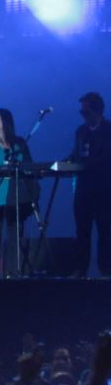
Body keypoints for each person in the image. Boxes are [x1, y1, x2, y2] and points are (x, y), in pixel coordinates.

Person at [0, 109, 32, 279]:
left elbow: (28, 168)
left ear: (6, 122)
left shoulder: (19, 143)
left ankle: (12, 273)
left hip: (14, 198)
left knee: (14, 238)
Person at [71, 92, 111, 279]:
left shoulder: (108, 131)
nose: (83, 116)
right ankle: (81, 268)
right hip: (83, 189)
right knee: (82, 230)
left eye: (85, 112)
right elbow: (75, 155)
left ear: (97, 111)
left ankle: (106, 270)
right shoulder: (81, 132)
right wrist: (56, 166)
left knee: (105, 230)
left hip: (104, 190)